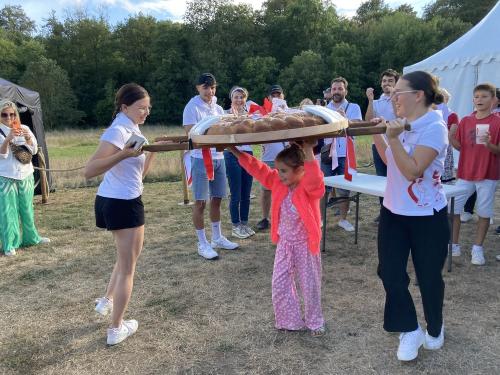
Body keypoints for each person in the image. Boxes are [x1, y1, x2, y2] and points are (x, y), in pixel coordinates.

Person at [372, 71, 450, 361]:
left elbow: (413, 170)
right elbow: (388, 160)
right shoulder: (400, 125)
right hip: (393, 210)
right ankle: (410, 328)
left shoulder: (434, 127)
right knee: (390, 272)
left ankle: (435, 327)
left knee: (428, 276)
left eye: (398, 93)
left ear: (418, 95)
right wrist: (381, 133)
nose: (393, 99)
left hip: (426, 215)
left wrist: (393, 138)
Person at [84, 83, 163, 345]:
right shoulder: (118, 130)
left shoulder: (131, 128)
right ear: (124, 107)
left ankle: (106, 302)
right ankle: (116, 328)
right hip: (121, 203)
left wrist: (152, 151)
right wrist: (124, 154)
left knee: (126, 258)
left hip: (120, 198)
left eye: (148, 108)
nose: (146, 112)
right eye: (141, 108)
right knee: (129, 267)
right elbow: (90, 169)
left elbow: (138, 176)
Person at [226, 140, 326, 336]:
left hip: (306, 246)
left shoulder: (308, 187)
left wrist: (307, 149)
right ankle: (290, 321)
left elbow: (316, 183)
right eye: (278, 170)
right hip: (285, 244)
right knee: (279, 283)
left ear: (299, 170)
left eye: (284, 171)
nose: (279, 174)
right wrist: (235, 151)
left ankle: (315, 322)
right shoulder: (277, 182)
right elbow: (259, 169)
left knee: (310, 286)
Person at [183, 73, 238, 259]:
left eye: (213, 87)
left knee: (218, 198)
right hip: (200, 158)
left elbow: (224, 131)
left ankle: (217, 237)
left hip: (219, 156)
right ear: (198, 88)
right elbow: (191, 134)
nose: (210, 91)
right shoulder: (191, 107)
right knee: (200, 202)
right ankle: (202, 242)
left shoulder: (219, 108)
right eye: (206, 87)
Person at [449, 83, 500, 265]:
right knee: (452, 208)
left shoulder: (497, 122)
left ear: (493, 100)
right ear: (473, 99)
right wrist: (451, 137)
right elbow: (461, 147)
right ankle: (453, 245)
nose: (479, 100)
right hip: (465, 173)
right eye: (477, 96)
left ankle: (477, 249)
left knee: (484, 213)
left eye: (484, 96)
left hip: (487, 174)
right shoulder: (466, 121)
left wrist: (489, 145)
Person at [0, 100, 50, 256]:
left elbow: (34, 151)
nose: (9, 117)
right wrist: (8, 139)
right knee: (9, 212)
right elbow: (2, 155)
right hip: (6, 176)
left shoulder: (25, 128)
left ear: (16, 114)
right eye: (4, 114)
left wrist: (28, 138)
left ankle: (31, 238)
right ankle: (10, 244)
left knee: (28, 209)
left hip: (26, 174)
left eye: (12, 114)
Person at [323, 77, 362, 232]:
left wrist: (345, 120)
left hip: (345, 153)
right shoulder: (325, 108)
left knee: (345, 189)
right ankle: (319, 219)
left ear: (345, 90)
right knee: (322, 188)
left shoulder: (353, 107)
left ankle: (343, 219)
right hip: (328, 153)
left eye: (340, 89)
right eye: (334, 89)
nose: (337, 92)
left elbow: (358, 125)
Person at [365, 69, 399, 220]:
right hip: (379, 145)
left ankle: (396, 208)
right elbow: (368, 120)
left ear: (396, 83)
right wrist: (370, 100)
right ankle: (384, 211)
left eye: (390, 81)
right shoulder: (377, 102)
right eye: (384, 81)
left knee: (396, 178)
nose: (386, 84)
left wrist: (394, 98)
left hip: (397, 145)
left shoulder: (401, 100)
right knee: (381, 178)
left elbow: (401, 117)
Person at [224, 86, 255, 239]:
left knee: (246, 193)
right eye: (236, 97)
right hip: (231, 154)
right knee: (235, 193)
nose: (239, 100)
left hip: (247, 153)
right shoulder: (225, 115)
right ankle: (236, 225)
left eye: (241, 97)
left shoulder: (250, 115)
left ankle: (244, 223)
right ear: (231, 98)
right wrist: (233, 119)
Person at [256, 84, 287, 231]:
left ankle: (284, 217)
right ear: (268, 98)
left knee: (286, 189)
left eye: (278, 95)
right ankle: (265, 218)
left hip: (286, 157)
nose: (276, 97)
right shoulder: (263, 112)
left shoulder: (288, 112)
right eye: (273, 95)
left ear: (283, 96)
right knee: (266, 189)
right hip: (268, 157)